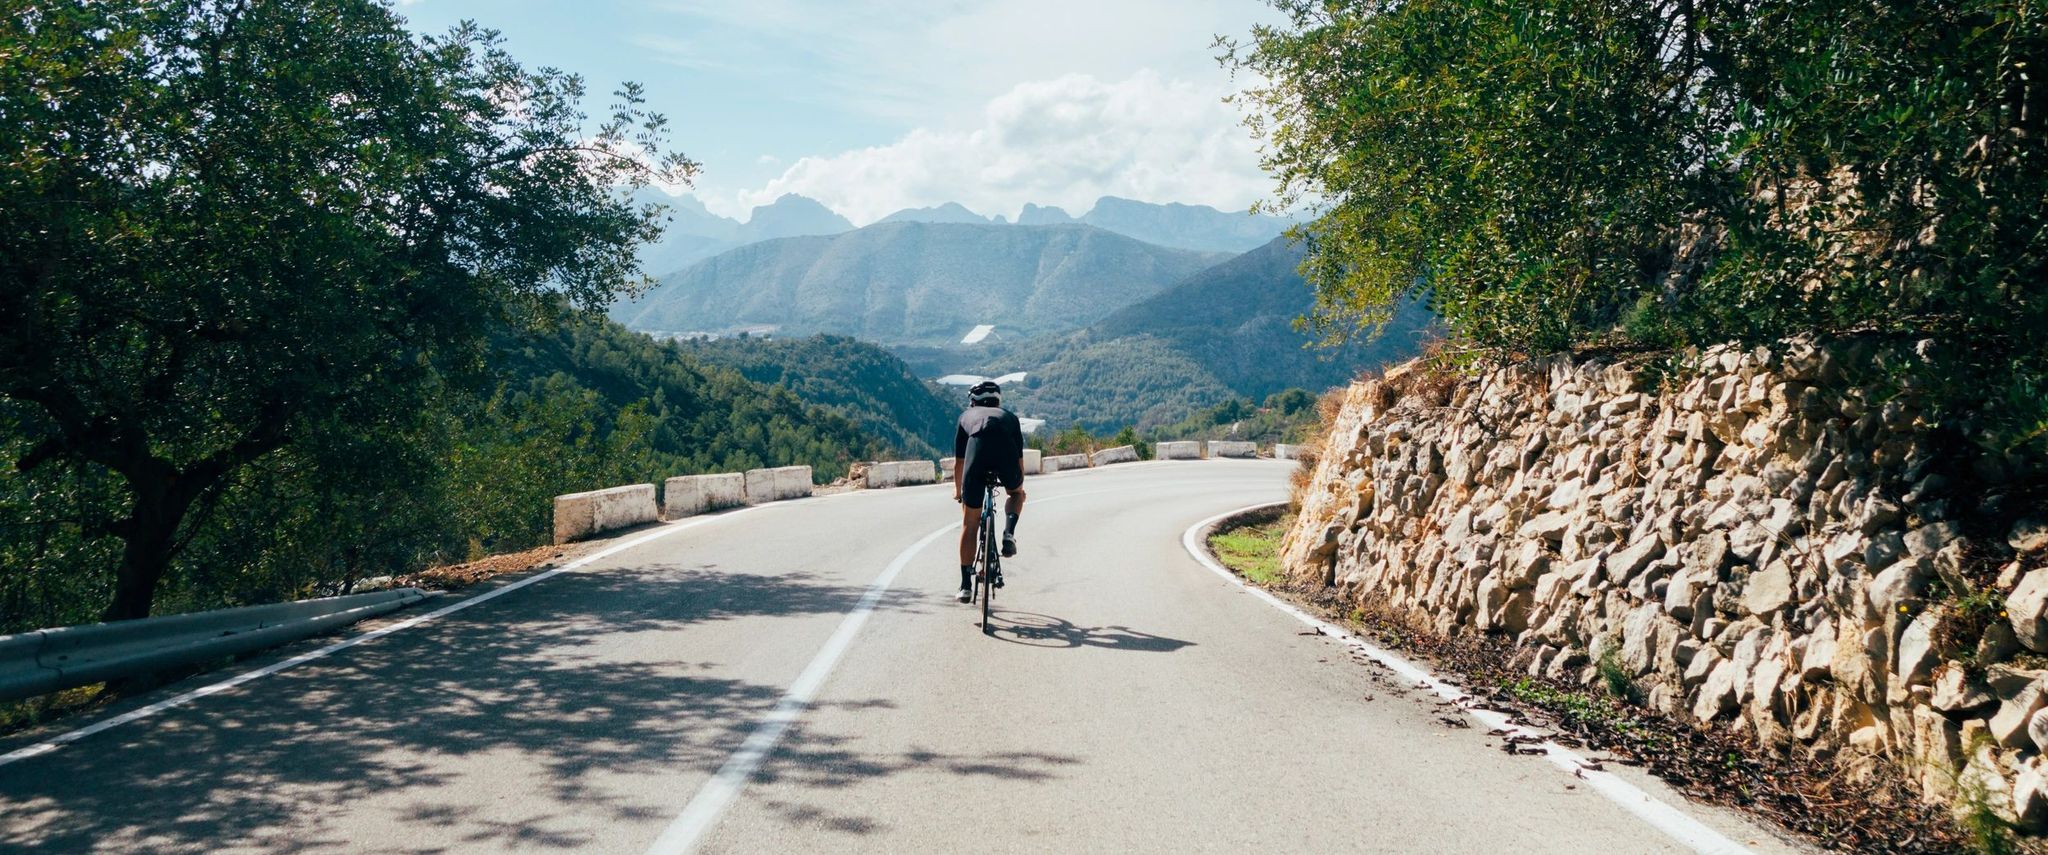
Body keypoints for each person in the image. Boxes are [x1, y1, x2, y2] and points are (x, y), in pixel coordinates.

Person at [953, 380, 1026, 602]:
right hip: (1005, 453)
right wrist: (1017, 490)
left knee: (970, 522)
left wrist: (959, 492)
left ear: (973, 401)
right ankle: (1009, 533)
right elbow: (1020, 461)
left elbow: (959, 462)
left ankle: (966, 585)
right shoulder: (1010, 418)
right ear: (998, 401)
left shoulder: (966, 416)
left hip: (977, 455)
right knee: (1015, 494)